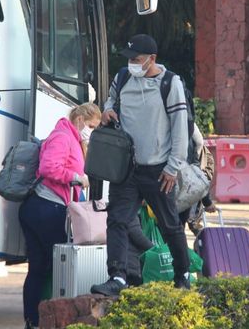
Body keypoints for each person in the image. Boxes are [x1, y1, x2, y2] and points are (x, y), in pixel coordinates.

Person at [90, 34, 191, 296]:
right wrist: (107, 110)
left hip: (158, 169)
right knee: (117, 220)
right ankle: (117, 277)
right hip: (126, 168)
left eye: (136, 59)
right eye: (130, 59)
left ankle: (182, 274)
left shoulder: (170, 83)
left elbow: (180, 128)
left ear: (152, 59)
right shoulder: (123, 77)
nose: (131, 63)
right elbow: (110, 100)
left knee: (169, 225)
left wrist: (173, 166)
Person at [19, 103, 101, 329]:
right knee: (58, 268)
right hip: (47, 208)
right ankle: (52, 320)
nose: (92, 131)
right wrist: (75, 177)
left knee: (38, 268)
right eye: (91, 126)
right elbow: (49, 167)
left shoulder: (68, 136)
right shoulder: (63, 137)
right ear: (80, 119)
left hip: (41, 208)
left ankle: (33, 321)